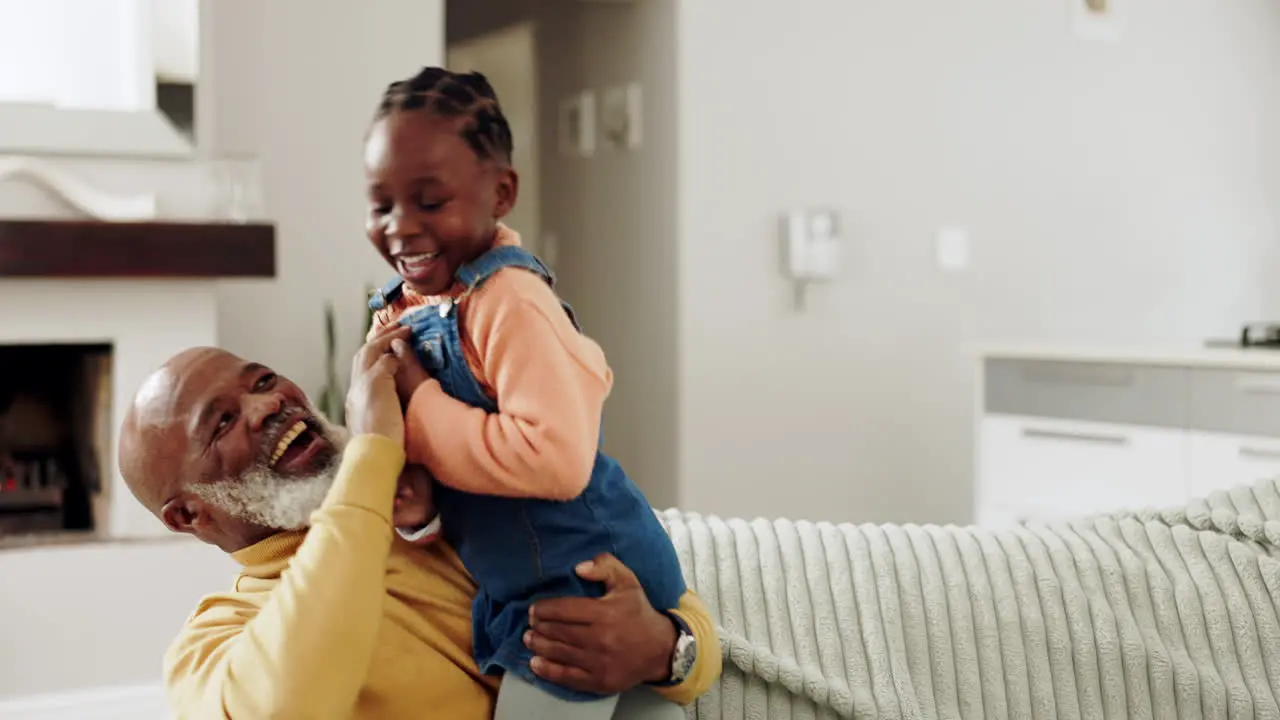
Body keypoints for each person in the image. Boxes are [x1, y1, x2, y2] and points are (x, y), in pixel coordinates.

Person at [116, 336, 721, 719]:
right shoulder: (213, 642)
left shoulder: (447, 500)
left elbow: (677, 609)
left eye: (264, 380)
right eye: (220, 423)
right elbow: (285, 708)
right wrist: (373, 454)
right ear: (189, 514)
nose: (267, 404)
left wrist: (665, 650)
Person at [360, 66, 691, 718]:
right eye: (380, 205)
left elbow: (556, 459)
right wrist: (420, 505)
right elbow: (455, 473)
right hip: (519, 582)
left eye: (430, 201)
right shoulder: (400, 312)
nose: (400, 226)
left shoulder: (508, 302)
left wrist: (422, 407)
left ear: (501, 192)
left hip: (584, 576)